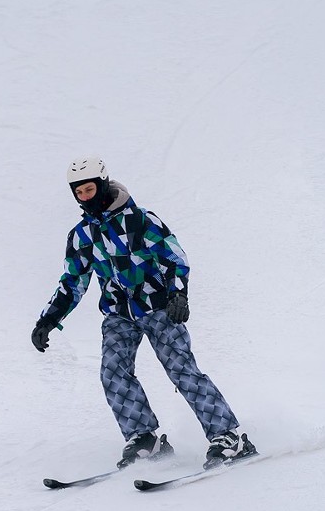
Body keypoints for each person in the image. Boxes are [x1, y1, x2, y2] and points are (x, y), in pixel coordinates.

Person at [31, 157, 256, 469]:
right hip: (118, 314)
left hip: (159, 307)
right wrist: (49, 318)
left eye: (89, 189)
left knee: (181, 369)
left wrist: (178, 293)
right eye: (79, 192)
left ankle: (228, 436)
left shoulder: (141, 221)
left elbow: (174, 258)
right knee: (113, 371)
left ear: (103, 184)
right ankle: (143, 438)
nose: (85, 196)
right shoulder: (82, 236)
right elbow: (73, 281)